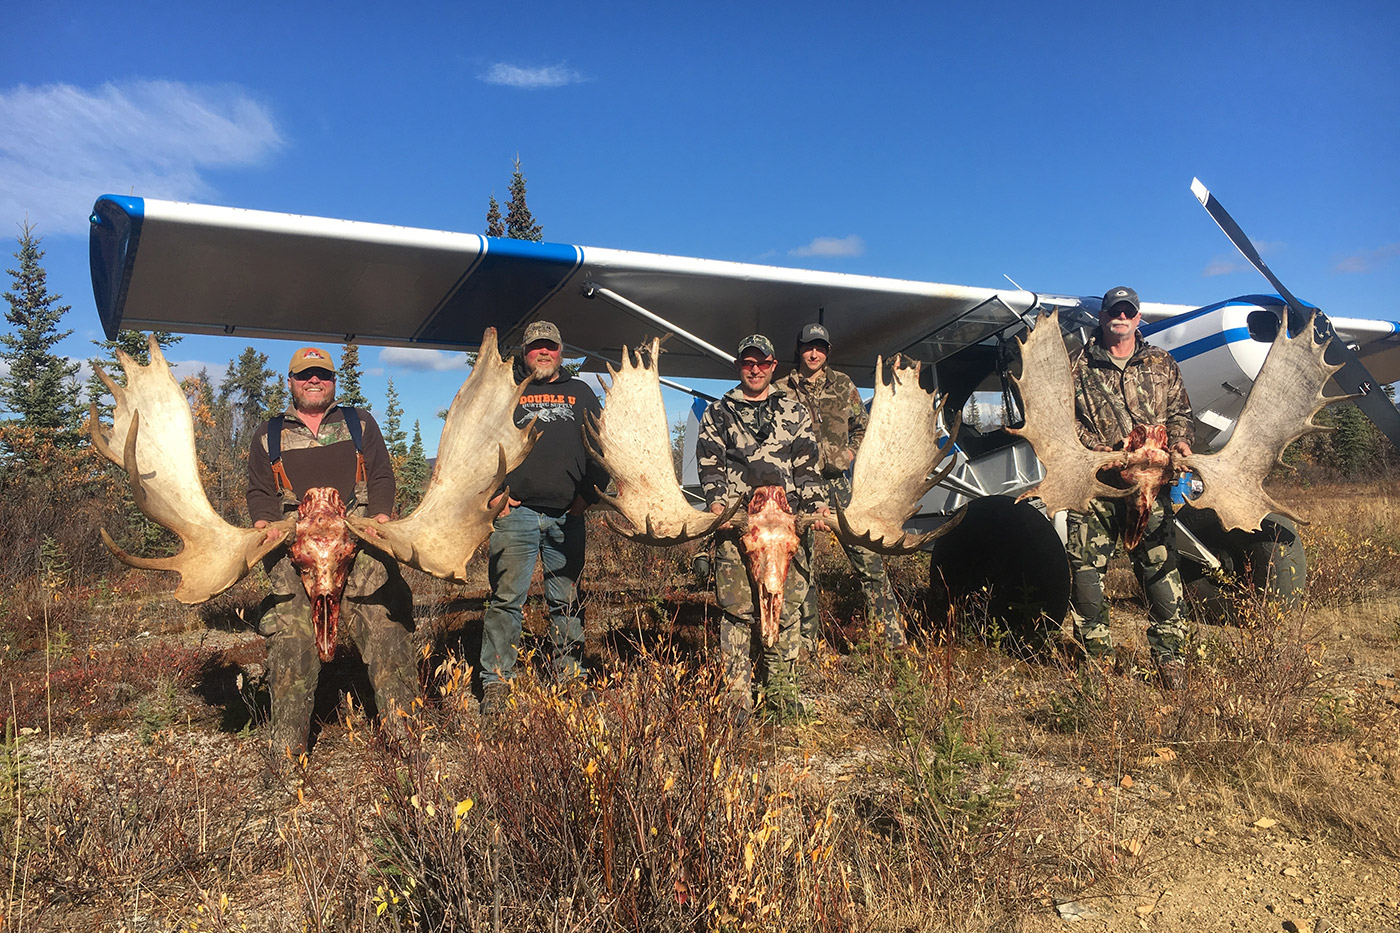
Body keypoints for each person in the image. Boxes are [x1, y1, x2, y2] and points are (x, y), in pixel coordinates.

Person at [247, 346, 418, 758]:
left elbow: (380, 475)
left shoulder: (359, 423)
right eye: (305, 375)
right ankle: (287, 755)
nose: (314, 381)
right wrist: (265, 527)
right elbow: (260, 491)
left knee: (385, 626)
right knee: (291, 641)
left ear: (333, 381)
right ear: (290, 382)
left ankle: (407, 739)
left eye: (322, 374)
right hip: (294, 549)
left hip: (357, 542)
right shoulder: (269, 434)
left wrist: (377, 519)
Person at [1067, 286, 1194, 685]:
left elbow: (1180, 411)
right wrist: (1096, 449)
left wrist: (1181, 441)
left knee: (1161, 567)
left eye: (1128, 311)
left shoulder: (1161, 362)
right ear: (1102, 317)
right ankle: (1096, 657)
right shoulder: (1077, 365)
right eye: (1113, 311)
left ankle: (1170, 658)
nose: (1120, 316)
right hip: (1098, 484)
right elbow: (1062, 419)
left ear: (1138, 318)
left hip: (1150, 485)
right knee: (1086, 569)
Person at [696, 335, 827, 720]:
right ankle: (737, 697)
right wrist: (718, 506)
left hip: (787, 528)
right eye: (748, 363)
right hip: (739, 527)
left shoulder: (794, 409)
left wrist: (816, 505)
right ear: (739, 366)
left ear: (773, 366)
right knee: (737, 610)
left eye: (763, 363)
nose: (755, 369)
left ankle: (781, 693)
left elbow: (807, 465)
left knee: (786, 610)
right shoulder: (719, 412)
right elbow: (709, 464)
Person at [480, 321, 607, 713]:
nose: (543, 353)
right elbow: (481, 446)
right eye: (535, 347)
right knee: (505, 600)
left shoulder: (581, 393)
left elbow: (603, 448)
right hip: (516, 514)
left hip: (567, 515)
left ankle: (569, 676)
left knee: (566, 600)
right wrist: (496, 493)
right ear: (525, 352)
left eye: (549, 346)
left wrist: (588, 496)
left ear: (560, 349)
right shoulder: (506, 392)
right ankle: (497, 682)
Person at [783, 323, 905, 650]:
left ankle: (891, 641)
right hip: (797, 490)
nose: (813, 353)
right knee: (800, 568)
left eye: (820, 347)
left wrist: (849, 453)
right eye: (808, 346)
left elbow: (863, 428)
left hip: (839, 486)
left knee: (869, 559)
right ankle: (807, 646)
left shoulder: (843, 385)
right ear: (799, 349)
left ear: (828, 350)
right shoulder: (782, 389)